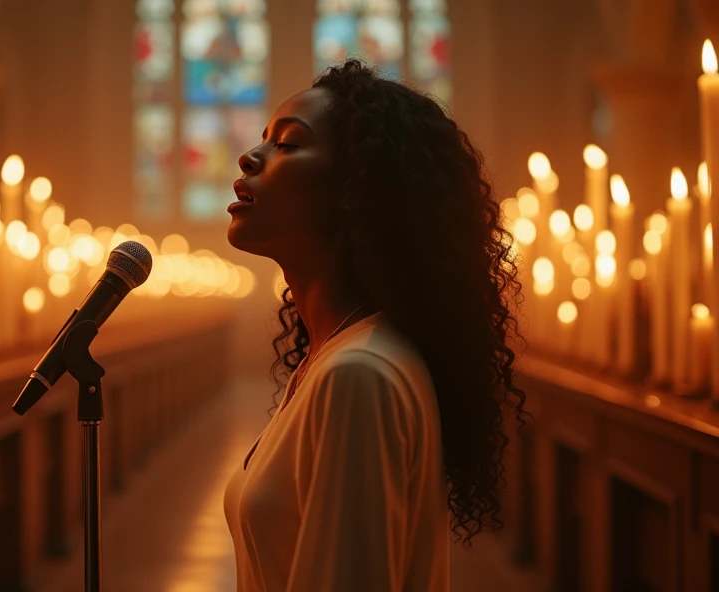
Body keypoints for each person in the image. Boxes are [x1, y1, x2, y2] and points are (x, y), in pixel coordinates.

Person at [222, 59, 528, 591]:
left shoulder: (358, 373)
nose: (250, 157)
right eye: (263, 140)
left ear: (353, 187)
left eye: (288, 144)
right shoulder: (334, 358)